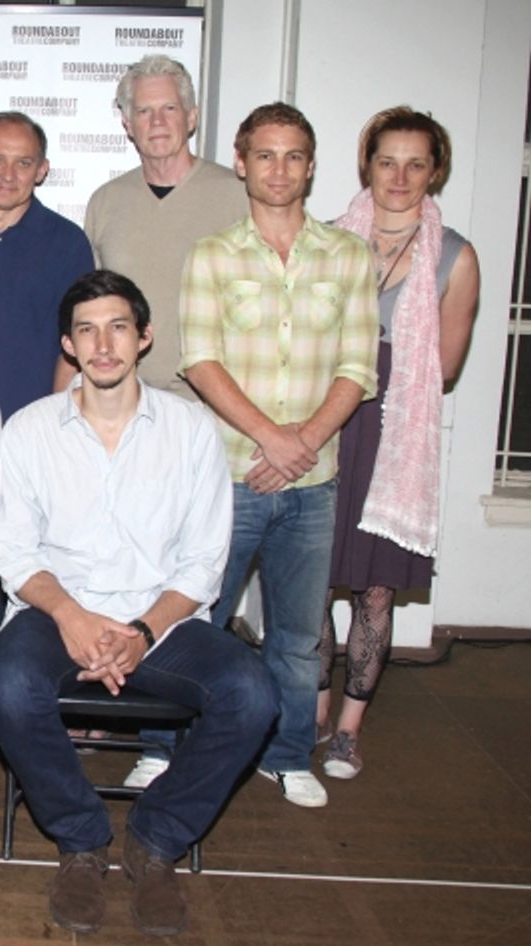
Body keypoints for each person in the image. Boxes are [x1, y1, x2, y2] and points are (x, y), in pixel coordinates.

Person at [0, 269, 276, 937]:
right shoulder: (28, 432)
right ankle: (82, 841)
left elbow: (204, 562)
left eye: (118, 326)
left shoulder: (192, 430)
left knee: (253, 695)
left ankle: (157, 838)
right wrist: (73, 617)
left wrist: (143, 630)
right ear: (68, 344)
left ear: (144, 337)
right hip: (56, 614)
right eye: (87, 330)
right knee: (7, 683)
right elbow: (18, 556)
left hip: (162, 622)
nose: (103, 343)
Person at [177, 103, 380, 809]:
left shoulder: (348, 255)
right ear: (240, 161)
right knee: (195, 624)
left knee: (296, 639)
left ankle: (289, 755)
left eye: (294, 156)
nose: (279, 169)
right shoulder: (212, 254)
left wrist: (302, 446)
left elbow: (358, 366)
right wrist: (273, 436)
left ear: (311, 165)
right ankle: (168, 749)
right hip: (228, 478)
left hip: (313, 484)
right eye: (265, 155)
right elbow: (200, 361)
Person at [316, 108, 480, 779]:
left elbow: (442, 367)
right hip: (328, 417)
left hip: (392, 431)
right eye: (388, 161)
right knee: (312, 581)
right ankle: (315, 709)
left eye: (417, 163)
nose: (401, 176)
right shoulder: (326, 239)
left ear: (434, 171)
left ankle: (349, 729)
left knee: (375, 591)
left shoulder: (455, 256)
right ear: (368, 165)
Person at [84, 55, 245, 399]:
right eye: (143, 111)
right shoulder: (105, 203)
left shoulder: (238, 196)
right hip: (125, 403)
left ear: (192, 117)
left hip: (217, 407)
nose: (157, 121)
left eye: (169, 108)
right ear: (127, 124)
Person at [0, 110, 93, 420]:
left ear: (41, 170)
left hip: (31, 426)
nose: (7, 175)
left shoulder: (68, 243)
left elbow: (77, 340)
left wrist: (55, 425)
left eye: (23, 163)